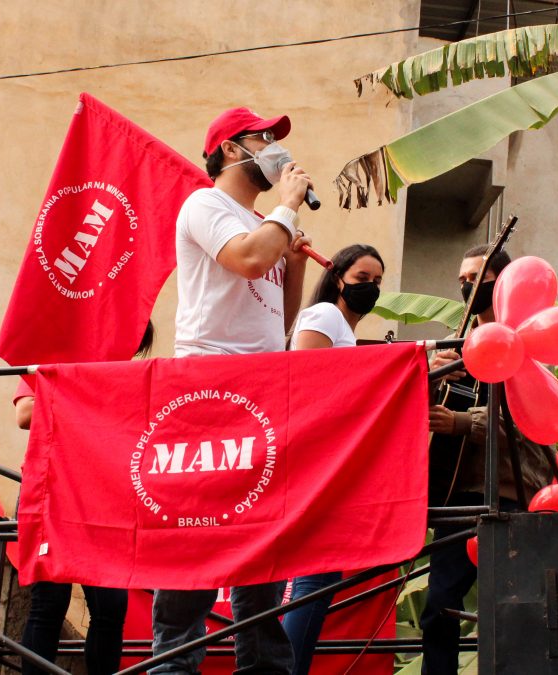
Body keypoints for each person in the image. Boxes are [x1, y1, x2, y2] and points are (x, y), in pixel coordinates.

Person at [151, 107, 316, 675]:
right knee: (197, 540)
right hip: (208, 390)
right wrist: (287, 208)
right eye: (264, 139)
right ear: (229, 150)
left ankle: (263, 668)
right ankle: (175, 666)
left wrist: (291, 258)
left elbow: (279, 320)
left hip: (262, 390)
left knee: (262, 542)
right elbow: (247, 260)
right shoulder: (206, 205)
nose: (275, 148)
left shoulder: (265, 224)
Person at [419, 245, 554, 675]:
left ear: (503, 283)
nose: (466, 287)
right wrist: (431, 379)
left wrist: (460, 421)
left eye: (476, 278)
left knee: (513, 608)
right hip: (455, 496)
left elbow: (524, 422)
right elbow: (420, 419)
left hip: (509, 494)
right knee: (439, 604)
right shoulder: (457, 348)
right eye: (461, 279)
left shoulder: (527, 344)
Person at [13, 321, 154, 674]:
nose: (129, 351)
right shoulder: (58, 359)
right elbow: (25, 413)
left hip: (105, 494)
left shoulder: (132, 375)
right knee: (49, 605)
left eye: (134, 346)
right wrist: (86, 391)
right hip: (52, 488)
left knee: (110, 608)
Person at [281, 244, 384, 675]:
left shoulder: (342, 326)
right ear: (338, 278)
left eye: (377, 281)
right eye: (362, 279)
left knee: (317, 579)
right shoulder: (324, 316)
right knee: (314, 579)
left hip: (329, 462)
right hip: (313, 460)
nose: (371, 288)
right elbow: (306, 381)